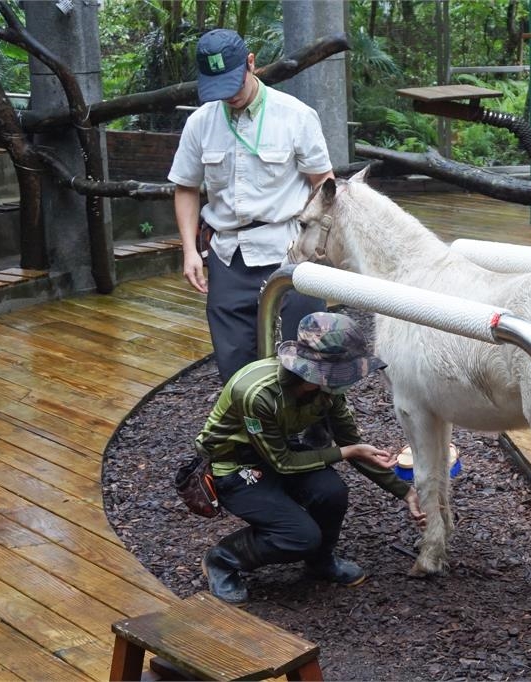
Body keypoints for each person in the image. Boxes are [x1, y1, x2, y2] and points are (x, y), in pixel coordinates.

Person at [195, 311, 426, 604]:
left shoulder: (327, 391)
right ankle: (223, 559)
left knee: (332, 492)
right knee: (299, 537)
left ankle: (320, 561)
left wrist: (406, 492)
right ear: (316, 372)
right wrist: (346, 453)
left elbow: (351, 442)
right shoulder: (257, 394)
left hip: (281, 452)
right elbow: (284, 462)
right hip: (237, 467)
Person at [169, 28, 332, 383]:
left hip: (289, 248)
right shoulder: (200, 123)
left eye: (234, 84)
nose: (229, 96)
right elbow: (186, 187)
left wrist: (321, 246)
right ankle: (250, 418)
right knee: (236, 367)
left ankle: (313, 417)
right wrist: (189, 251)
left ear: (251, 63)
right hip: (228, 253)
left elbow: (323, 182)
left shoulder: (296, 116)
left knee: (306, 357)